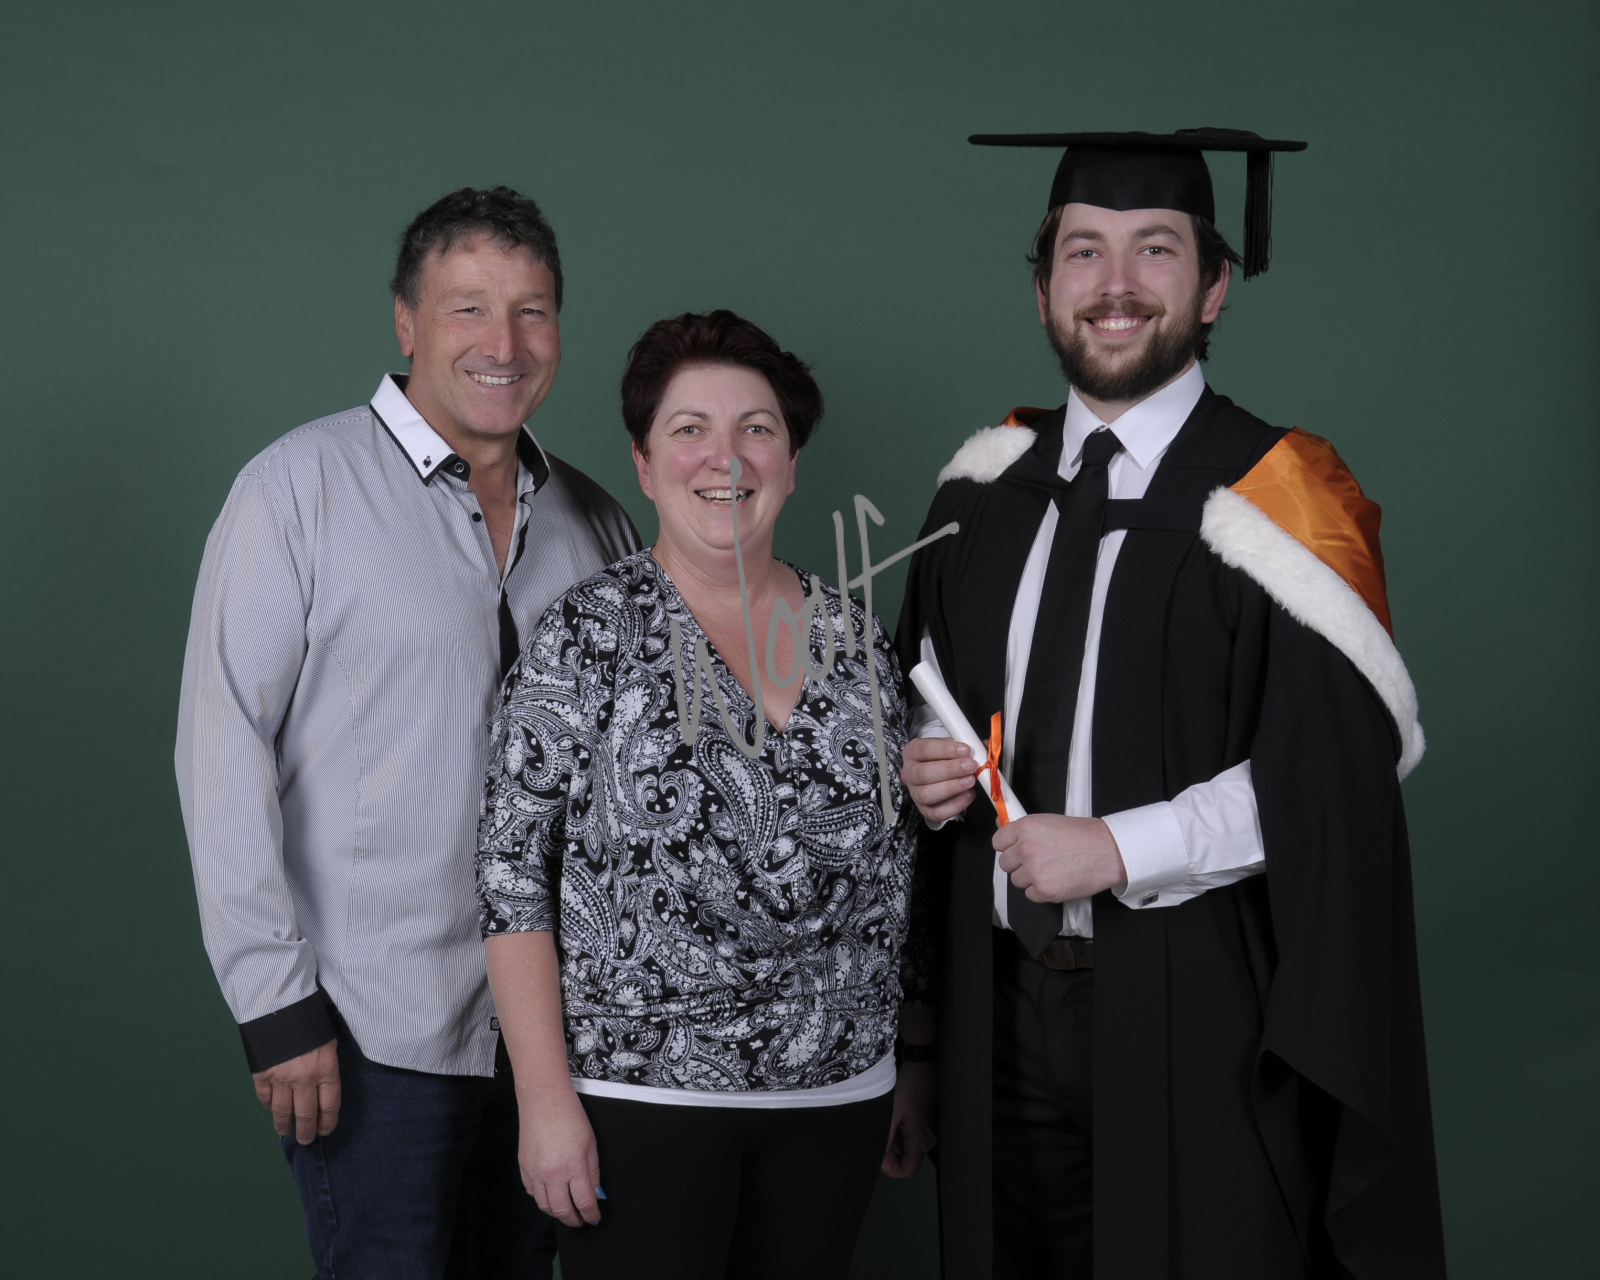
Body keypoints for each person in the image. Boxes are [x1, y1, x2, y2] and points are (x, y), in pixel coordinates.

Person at [897, 130, 1447, 1278]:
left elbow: (1328, 781)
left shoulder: (1284, 500)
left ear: (1212, 286)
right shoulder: (981, 491)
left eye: (1154, 249)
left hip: (1202, 1010)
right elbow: (931, 703)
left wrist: (1120, 844)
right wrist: (926, 767)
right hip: (996, 1013)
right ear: (1042, 287)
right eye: (1082, 251)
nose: (1115, 284)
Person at [175, 186, 639, 1279]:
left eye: (531, 311)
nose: (502, 343)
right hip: (368, 1029)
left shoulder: (596, 520)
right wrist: (274, 1004)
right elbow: (220, 747)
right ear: (405, 323)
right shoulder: (295, 490)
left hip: (558, 1040)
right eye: (467, 307)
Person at [475, 309, 935, 1280]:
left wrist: (911, 1058)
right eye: (690, 429)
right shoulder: (585, 636)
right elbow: (512, 883)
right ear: (645, 464)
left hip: (839, 1097)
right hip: (639, 1099)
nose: (725, 457)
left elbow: (902, 874)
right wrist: (544, 1101)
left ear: (791, 462)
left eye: (755, 428)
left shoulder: (856, 638)